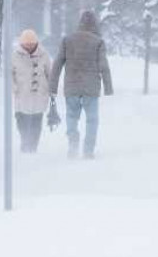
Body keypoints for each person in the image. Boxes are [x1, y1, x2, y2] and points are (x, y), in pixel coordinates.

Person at [49, 11, 113, 159]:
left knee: (71, 116)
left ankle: (73, 142)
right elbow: (104, 65)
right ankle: (88, 150)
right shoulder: (98, 42)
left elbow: (57, 64)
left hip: (72, 87)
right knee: (92, 120)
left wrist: (52, 87)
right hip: (91, 88)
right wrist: (108, 87)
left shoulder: (67, 40)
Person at [12, 30, 51, 153]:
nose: (29, 46)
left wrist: (51, 89)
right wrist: (14, 87)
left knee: (36, 122)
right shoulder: (15, 56)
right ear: (21, 44)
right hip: (21, 95)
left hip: (39, 95)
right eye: (26, 44)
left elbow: (49, 73)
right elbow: (9, 74)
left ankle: (33, 147)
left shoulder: (44, 55)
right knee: (21, 120)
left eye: (31, 43)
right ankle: (25, 142)